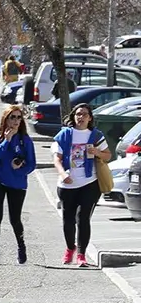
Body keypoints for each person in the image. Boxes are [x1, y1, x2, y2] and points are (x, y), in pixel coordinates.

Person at [52, 103, 110, 268]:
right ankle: (70, 248)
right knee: (68, 220)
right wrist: (63, 174)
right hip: (67, 185)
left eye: (85, 114)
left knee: (83, 219)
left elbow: (108, 155)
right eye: (78, 114)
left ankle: (81, 255)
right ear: (73, 116)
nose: (81, 117)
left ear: (90, 118)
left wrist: (97, 152)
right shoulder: (64, 135)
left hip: (89, 184)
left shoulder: (96, 135)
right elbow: (56, 159)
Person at [0, 106, 36, 265]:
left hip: (17, 184)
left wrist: (20, 169)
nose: (15, 121)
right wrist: (6, 141)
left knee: (15, 219)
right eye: (12, 117)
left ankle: (21, 247)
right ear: (5, 119)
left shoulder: (25, 140)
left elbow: (32, 164)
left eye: (18, 117)